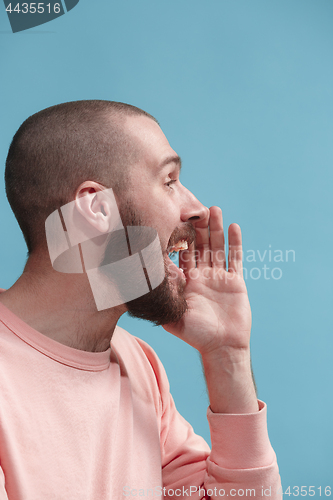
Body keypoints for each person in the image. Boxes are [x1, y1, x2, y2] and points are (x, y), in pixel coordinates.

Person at [0, 101, 282, 499]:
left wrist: (227, 356)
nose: (197, 209)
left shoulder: (139, 366)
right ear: (95, 209)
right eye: (169, 181)